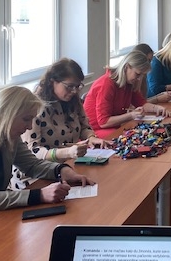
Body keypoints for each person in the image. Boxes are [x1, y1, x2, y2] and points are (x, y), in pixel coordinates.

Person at [0, 86, 94, 214]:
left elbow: (32, 165)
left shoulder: (9, 134)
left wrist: (61, 170)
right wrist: (39, 195)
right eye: (26, 119)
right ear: (6, 115)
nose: (30, 126)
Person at [10, 58, 108, 190]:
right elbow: (33, 152)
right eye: (69, 86)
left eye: (77, 86)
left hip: (64, 167)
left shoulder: (73, 101)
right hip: (35, 174)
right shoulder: (36, 107)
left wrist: (91, 138)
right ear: (52, 82)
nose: (74, 91)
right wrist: (66, 153)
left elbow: (84, 127)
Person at [83, 51, 171, 139]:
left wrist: (157, 108)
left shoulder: (129, 82)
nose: (139, 79)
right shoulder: (106, 84)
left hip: (112, 127)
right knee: (132, 138)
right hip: (94, 131)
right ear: (126, 67)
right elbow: (103, 122)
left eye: (142, 75)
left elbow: (141, 103)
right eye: (137, 74)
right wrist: (131, 115)